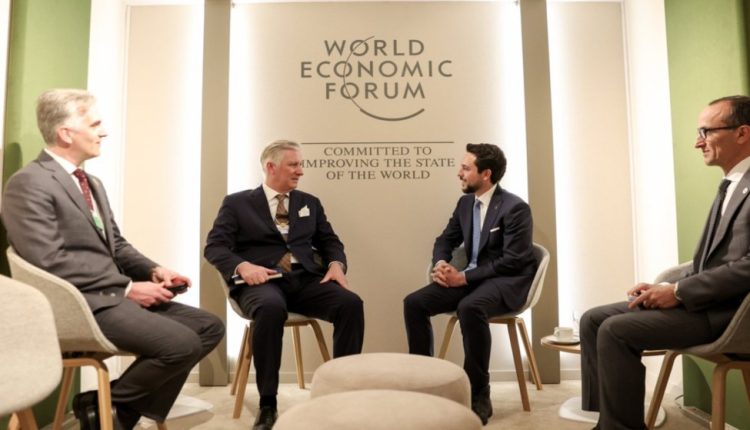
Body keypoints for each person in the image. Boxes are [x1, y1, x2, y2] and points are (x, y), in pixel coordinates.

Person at [1, 89, 225, 430]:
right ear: (66, 133)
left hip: (111, 297)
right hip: (82, 304)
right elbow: (48, 260)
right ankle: (111, 411)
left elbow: (116, 245)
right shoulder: (28, 183)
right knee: (181, 344)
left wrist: (154, 270)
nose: (103, 132)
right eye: (95, 125)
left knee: (209, 327)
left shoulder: (91, 183)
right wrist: (128, 288)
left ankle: (111, 409)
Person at [580, 95, 750, 430]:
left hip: (730, 313)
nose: (697, 142)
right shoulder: (731, 184)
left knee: (616, 331)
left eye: (706, 132)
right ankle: (608, 421)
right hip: (704, 302)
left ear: (742, 133)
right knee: (593, 320)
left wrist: (679, 292)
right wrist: (666, 286)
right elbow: (709, 261)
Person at [204, 139, 364, 430]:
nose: (300, 171)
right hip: (261, 282)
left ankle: (342, 393)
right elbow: (215, 247)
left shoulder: (309, 203)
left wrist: (336, 265)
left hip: (304, 280)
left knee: (350, 303)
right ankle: (268, 403)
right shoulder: (237, 203)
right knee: (270, 308)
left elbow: (330, 242)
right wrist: (243, 266)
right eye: (294, 165)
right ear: (271, 167)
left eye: (301, 164)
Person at [403, 143, 537, 425]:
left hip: (505, 281)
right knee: (414, 303)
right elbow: (445, 239)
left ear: (486, 174)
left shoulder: (515, 208)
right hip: (472, 277)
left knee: (470, 307)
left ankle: (479, 392)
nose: (459, 173)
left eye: (466, 168)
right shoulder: (465, 204)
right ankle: (424, 383)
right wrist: (441, 263)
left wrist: (463, 277)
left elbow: (513, 261)